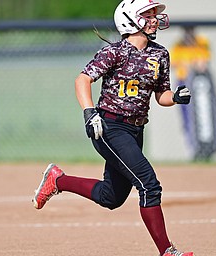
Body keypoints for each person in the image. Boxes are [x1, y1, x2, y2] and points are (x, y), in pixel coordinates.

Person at [33, 0, 193, 255]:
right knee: (149, 185)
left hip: (135, 130)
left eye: (154, 14)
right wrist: (89, 113)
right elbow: (82, 79)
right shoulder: (115, 52)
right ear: (130, 20)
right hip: (108, 127)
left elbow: (161, 95)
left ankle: (58, 181)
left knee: (111, 197)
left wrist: (175, 97)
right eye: (148, 14)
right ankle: (167, 251)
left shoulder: (160, 53)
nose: (154, 19)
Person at [171, 26, 216, 161]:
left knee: (203, 115)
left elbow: (203, 62)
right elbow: (174, 63)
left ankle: (206, 149)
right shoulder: (178, 44)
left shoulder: (201, 42)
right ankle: (193, 148)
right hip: (183, 82)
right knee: (187, 118)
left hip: (197, 84)